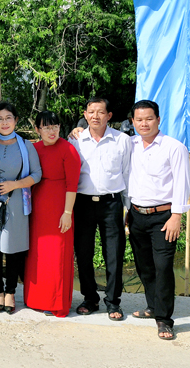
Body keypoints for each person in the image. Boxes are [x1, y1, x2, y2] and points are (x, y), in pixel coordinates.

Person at [127, 100, 190, 340]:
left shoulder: (174, 147)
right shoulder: (130, 144)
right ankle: (153, 306)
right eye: (139, 119)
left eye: (149, 118)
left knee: (163, 267)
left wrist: (177, 215)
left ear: (158, 120)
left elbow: (182, 182)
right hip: (136, 215)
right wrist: (78, 130)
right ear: (133, 121)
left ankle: (164, 320)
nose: (144, 123)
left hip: (164, 217)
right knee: (144, 266)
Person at [68, 98, 131, 321]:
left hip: (111, 203)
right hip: (82, 203)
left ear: (109, 115)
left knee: (114, 254)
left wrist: (128, 208)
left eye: (100, 112)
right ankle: (90, 298)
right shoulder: (75, 140)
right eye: (91, 112)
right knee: (83, 253)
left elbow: (127, 175)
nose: (95, 116)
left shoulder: (122, 140)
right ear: (85, 115)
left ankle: (113, 301)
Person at [0, 101, 42, 314]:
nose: (4, 122)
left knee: (13, 249)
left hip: (15, 203)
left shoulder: (26, 146)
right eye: (0, 119)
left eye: (8, 118)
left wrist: (15, 184)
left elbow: (37, 174)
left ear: (16, 120)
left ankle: (11, 292)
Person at [24, 111, 80, 317]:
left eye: (55, 127)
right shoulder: (33, 149)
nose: (51, 131)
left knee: (57, 255)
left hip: (60, 207)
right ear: (37, 129)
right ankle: (36, 299)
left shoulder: (68, 149)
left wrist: (67, 212)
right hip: (37, 207)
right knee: (37, 254)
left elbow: (72, 185)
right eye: (46, 127)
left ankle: (56, 302)